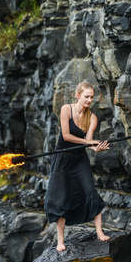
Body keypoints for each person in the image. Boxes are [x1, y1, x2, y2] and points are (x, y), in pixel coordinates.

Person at [44, 81, 110, 252]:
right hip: (62, 159)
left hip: (80, 160)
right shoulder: (67, 109)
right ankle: (60, 241)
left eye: (91, 97)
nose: (89, 100)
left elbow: (90, 145)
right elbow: (66, 136)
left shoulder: (92, 118)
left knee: (90, 192)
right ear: (78, 95)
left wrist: (97, 148)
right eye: (86, 96)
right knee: (61, 198)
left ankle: (99, 232)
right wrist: (88, 142)